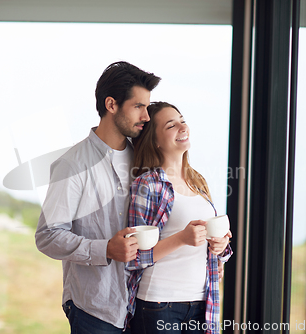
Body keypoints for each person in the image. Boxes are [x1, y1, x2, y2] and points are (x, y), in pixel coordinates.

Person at [35, 61, 161, 333]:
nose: (146, 116)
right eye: (138, 106)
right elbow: (47, 236)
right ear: (111, 104)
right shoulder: (72, 165)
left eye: (147, 108)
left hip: (142, 305)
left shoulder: (144, 158)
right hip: (95, 308)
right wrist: (105, 249)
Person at [125, 102, 232, 334]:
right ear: (155, 141)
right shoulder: (148, 184)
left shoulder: (198, 181)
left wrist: (221, 245)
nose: (182, 127)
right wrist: (182, 238)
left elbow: (214, 250)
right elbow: (132, 257)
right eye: (171, 125)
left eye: (182, 120)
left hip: (202, 303)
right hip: (159, 304)